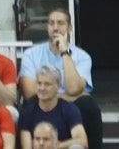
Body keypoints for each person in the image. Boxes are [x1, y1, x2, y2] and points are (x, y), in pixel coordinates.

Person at [17, 11, 99, 149]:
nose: (55, 27)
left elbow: (73, 88)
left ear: (70, 28)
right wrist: (66, 95)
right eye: (51, 23)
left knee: (88, 104)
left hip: (67, 111)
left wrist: (64, 52)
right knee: (29, 106)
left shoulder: (82, 56)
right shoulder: (31, 54)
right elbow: (30, 93)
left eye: (60, 23)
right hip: (38, 108)